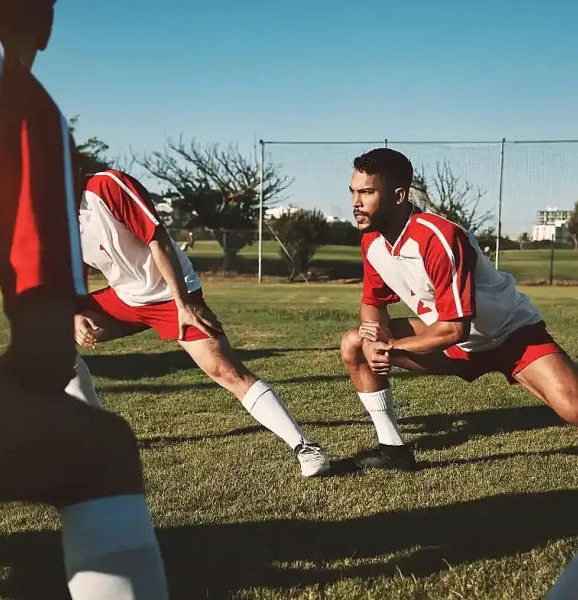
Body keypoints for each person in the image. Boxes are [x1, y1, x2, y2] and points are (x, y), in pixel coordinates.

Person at [0, 2, 168, 597]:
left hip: (151, 296)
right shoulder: (7, 86)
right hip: (130, 304)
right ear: (47, 20)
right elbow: (45, 350)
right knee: (98, 448)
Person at [67, 168, 331, 478]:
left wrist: (183, 304)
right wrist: (72, 314)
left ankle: (306, 447)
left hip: (171, 293)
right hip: (125, 298)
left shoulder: (106, 185)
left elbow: (157, 239)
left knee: (225, 371)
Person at [340, 148, 578, 470]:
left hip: (511, 335)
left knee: (572, 408)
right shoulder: (372, 241)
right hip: (451, 343)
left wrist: (390, 347)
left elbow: (455, 328)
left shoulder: (438, 237)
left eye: (367, 192)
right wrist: (372, 339)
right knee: (354, 342)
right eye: (353, 191)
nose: (356, 202)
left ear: (398, 195)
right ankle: (393, 450)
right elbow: (373, 304)